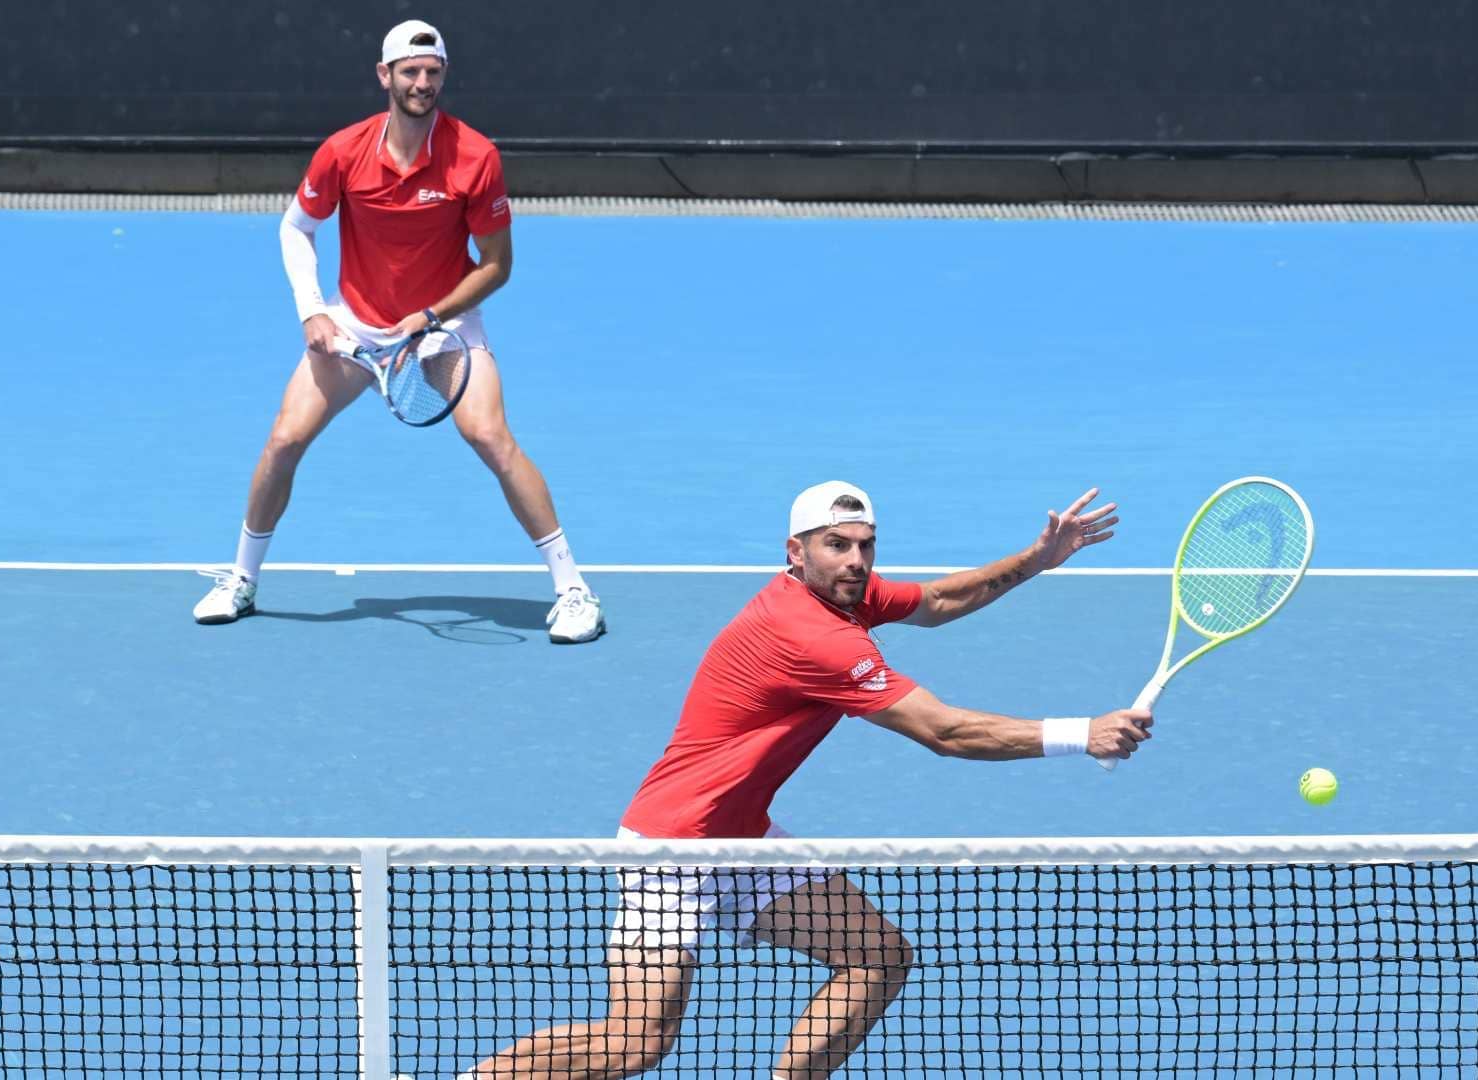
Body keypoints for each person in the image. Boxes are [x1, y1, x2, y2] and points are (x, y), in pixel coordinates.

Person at [467, 481, 1154, 1079]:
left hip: (743, 839)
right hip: (671, 849)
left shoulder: (842, 599)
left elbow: (940, 600)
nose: (856, 560)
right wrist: (1081, 733)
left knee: (877, 957)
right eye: (836, 545)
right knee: (638, 1042)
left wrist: (1037, 559)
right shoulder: (812, 635)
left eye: (865, 544)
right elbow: (945, 732)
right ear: (796, 552)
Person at [192, 19, 604, 644]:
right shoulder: (343, 151)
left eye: (433, 72)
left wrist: (432, 316)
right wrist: (314, 311)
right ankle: (241, 581)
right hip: (358, 322)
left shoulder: (475, 157)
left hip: (443, 327)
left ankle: (575, 591)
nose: (422, 83)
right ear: (384, 76)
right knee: (283, 441)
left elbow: (498, 265)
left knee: (491, 437)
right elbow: (295, 228)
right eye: (410, 72)